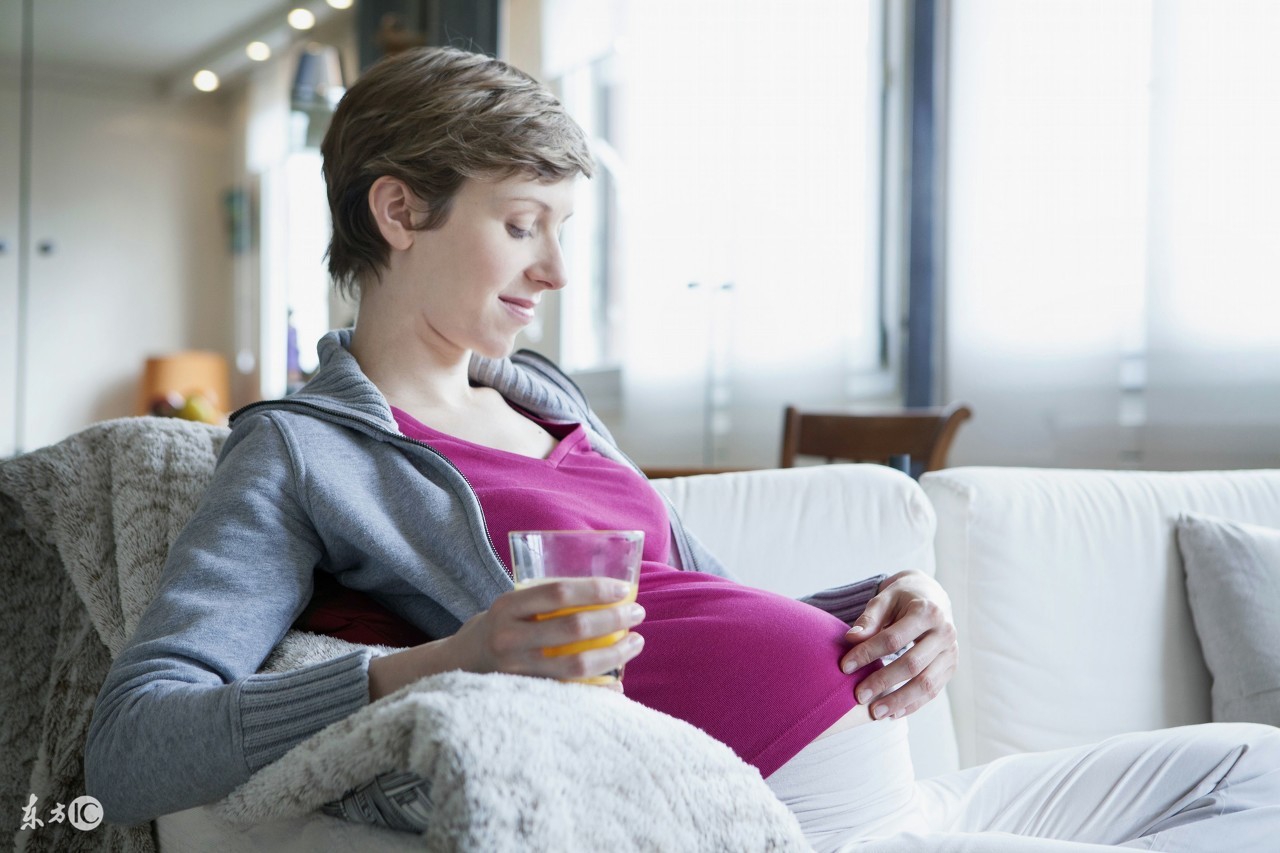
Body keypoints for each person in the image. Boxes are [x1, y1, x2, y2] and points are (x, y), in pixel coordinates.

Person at [86, 46, 1279, 852]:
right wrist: (446, 658)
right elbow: (132, 746)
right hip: (793, 815)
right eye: (520, 226)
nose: (554, 272)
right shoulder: (303, 453)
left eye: (561, 230)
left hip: (900, 792)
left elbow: (695, 606)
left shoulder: (549, 400)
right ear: (399, 212)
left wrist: (887, 603)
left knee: (1255, 764)